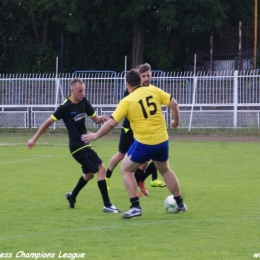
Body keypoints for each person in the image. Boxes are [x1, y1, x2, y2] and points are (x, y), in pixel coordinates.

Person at [81, 69, 187, 218]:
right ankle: (180, 203)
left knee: (125, 169)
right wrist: (176, 121)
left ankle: (135, 206)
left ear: (128, 85)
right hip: (162, 141)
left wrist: (96, 135)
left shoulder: (128, 100)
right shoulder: (153, 90)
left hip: (144, 143)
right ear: (139, 80)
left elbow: (111, 124)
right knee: (165, 170)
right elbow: (174, 104)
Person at [27, 78, 121, 214]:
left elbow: (95, 119)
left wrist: (102, 119)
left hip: (85, 144)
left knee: (89, 174)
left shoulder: (84, 102)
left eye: (83, 90)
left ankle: (72, 196)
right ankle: (107, 205)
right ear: (72, 91)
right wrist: (34, 139)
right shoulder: (65, 106)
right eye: (80, 91)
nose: (82, 93)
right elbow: (48, 122)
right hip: (77, 146)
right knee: (101, 169)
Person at [106, 63, 166, 196]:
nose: (146, 79)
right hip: (129, 128)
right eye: (143, 76)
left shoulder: (151, 90)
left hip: (144, 129)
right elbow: (124, 110)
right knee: (121, 155)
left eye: (148, 76)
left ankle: (141, 182)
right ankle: (107, 176)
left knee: (147, 157)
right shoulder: (129, 91)